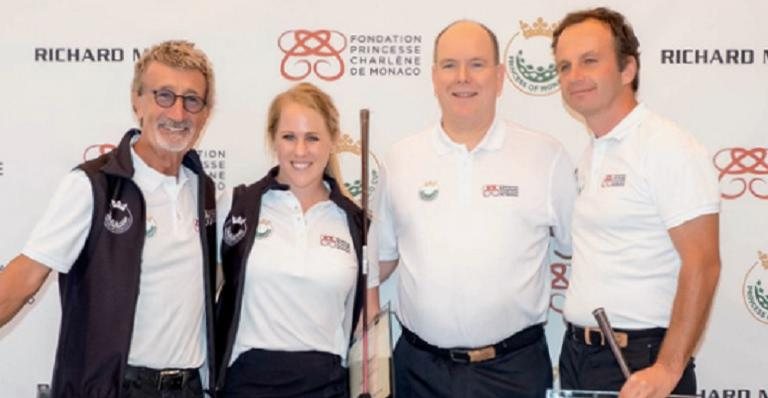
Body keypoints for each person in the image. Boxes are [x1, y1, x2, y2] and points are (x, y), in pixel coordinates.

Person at [0, 40, 218, 397]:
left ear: (205, 113)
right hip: (114, 389)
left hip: (190, 389)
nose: (178, 113)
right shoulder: (92, 185)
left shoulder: (204, 192)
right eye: (164, 95)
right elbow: (25, 276)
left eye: (191, 100)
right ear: (137, 101)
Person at [376, 20, 577, 398]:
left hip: (513, 373)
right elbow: (379, 261)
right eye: (450, 65)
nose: (462, 77)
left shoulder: (546, 157)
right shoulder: (400, 159)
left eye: (477, 64)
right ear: (434, 77)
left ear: (501, 76)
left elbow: (580, 249)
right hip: (417, 371)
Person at [552, 7, 721, 397]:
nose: (574, 76)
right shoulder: (594, 152)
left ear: (628, 69)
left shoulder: (667, 146)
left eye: (589, 61)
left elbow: (704, 263)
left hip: (639, 361)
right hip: (579, 356)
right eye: (564, 66)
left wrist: (668, 367)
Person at [214, 82, 379, 398]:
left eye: (312, 138)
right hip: (246, 385)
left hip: (326, 386)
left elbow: (366, 322)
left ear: (332, 140)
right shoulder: (236, 206)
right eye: (289, 137)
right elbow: (202, 300)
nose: (300, 151)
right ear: (273, 140)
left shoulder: (358, 224)